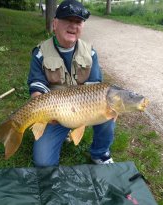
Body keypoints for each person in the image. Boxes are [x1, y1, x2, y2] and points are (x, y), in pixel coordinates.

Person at [27, 0, 115, 167]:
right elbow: (36, 86)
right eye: (68, 20)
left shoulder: (90, 52)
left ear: (82, 27)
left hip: (84, 109)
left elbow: (95, 86)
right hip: (54, 112)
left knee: (110, 108)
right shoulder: (40, 53)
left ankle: (100, 153)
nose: (73, 26)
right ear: (55, 24)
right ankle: (63, 130)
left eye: (78, 22)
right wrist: (40, 112)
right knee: (43, 163)